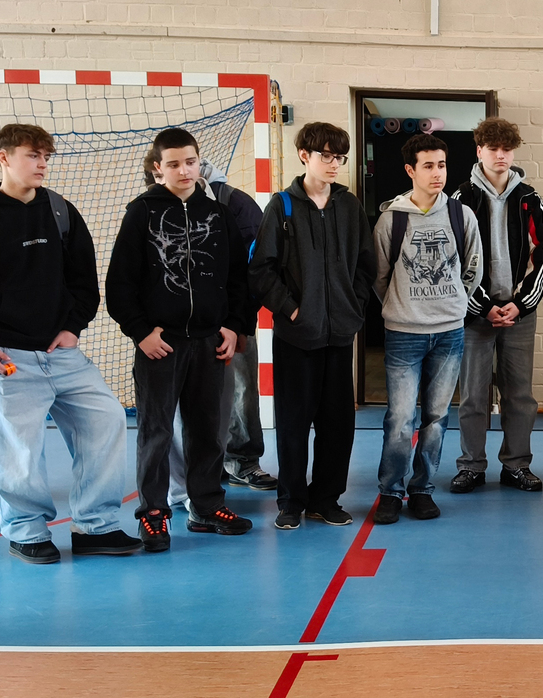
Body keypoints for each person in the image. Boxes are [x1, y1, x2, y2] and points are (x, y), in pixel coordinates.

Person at [0, 123, 140, 563]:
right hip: (4, 357)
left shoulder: (62, 211)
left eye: (46, 156)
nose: (42, 163)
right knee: (18, 449)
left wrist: (73, 328)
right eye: (32, 155)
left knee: (106, 419)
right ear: (4, 158)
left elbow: (84, 282)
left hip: (62, 354)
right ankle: (27, 531)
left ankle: (96, 525)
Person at [107, 128, 255, 552]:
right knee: (155, 432)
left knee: (208, 430)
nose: (184, 170)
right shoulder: (140, 213)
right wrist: (141, 332)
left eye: (190, 162)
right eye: (173, 164)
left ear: (198, 162)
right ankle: (153, 514)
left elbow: (239, 278)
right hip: (161, 344)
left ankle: (206, 507)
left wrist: (234, 326)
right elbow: (120, 283)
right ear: (159, 168)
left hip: (210, 342)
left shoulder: (218, 214)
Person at [249, 121, 376, 530]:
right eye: (327, 155)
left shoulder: (350, 207)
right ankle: (291, 502)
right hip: (296, 337)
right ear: (305, 155)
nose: (335, 163)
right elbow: (261, 270)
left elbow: (366, 266)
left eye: (340, 157)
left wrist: (353, 307)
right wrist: (291, 310)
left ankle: (326, 499)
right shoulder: (282, 207)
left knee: (338, 424)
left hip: (339, 335)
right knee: (293, 424)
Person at [372, 132, 484, 525]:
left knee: (436, 418)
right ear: (410, 170)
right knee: (401, 419)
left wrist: (453, 303)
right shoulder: (391, 219)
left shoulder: (461, 215)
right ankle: (391, 491)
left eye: (442, 165)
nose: (437, 173)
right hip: (404, 333)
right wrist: (404, 306)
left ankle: (422, 489)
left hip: (449, 333)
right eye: (428, 166)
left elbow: (473, 268)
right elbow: (379, 276)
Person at [162, 160, 276, 509]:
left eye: (188, 163)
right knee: (184, 403)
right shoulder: (152, 207)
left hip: (230, 320)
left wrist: (240, 322)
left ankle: (242, 461)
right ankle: (195, 475)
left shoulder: (234, 203)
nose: (182, 172)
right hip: (180, 328)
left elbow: (256, 266)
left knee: (240, 390)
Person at [449, 117, 543, 494]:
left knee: (520, 396)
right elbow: (453, 259)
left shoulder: (529, 198)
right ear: (479, 151)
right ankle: (471, 465)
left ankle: (516, 465)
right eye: (493, 148)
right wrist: (481, 306)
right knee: (473, 396)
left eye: (507, 149)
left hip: (518, 314)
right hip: (475, 316)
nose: (501, 155)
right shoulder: (460, 199)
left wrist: (521, 304)